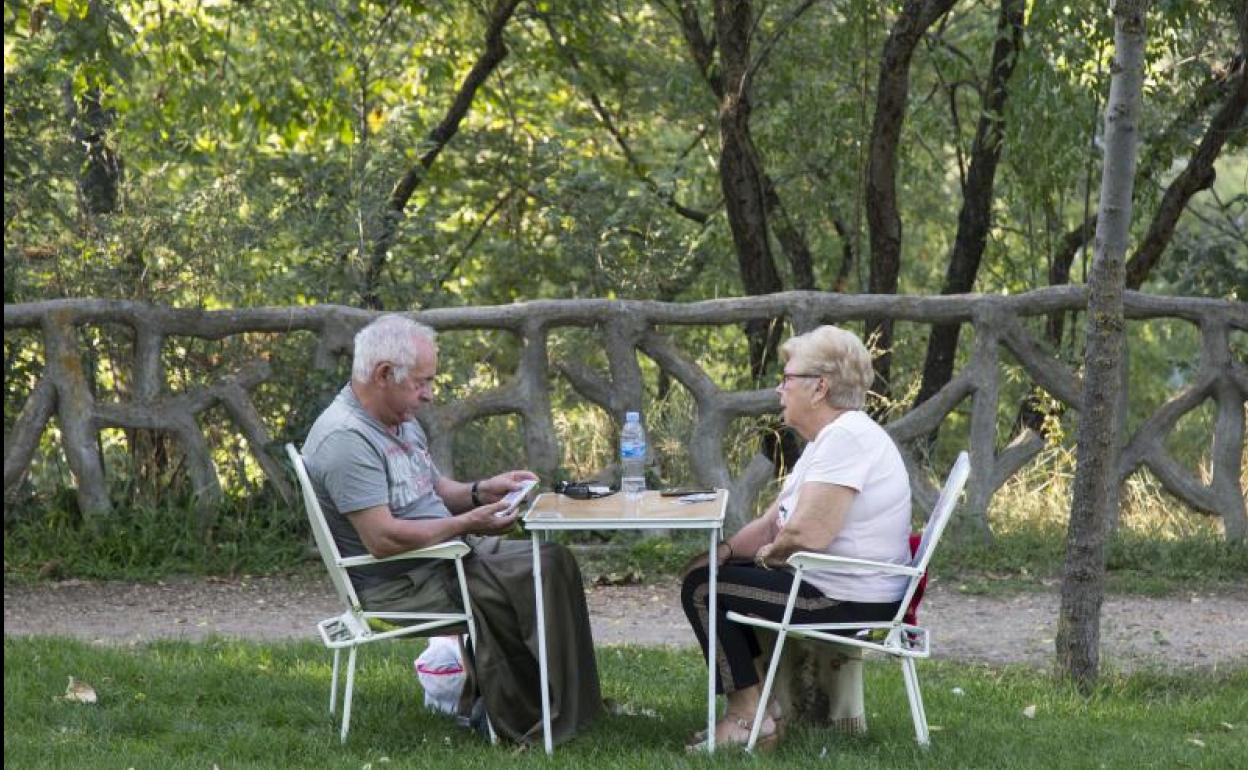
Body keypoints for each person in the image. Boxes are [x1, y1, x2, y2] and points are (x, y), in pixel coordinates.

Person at [300, 314, 602, 745]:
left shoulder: (398, 419)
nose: (428, 394)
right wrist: (468, 523)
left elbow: (436, 490)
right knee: (540, 569)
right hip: (404, 580)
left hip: (445, 555)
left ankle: (562, 704)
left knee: (554, 560)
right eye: (421, 382)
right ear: (384, 374)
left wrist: (483, 491)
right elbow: (382, 540)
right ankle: (528, 713)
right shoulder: (346, 440)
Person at [680, 325, 912, 751]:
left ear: (819, 387)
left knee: (703, 588)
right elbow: (774, 523)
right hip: (835, 582)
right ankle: (760, 710)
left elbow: (810, 533)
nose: (778, 389)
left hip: (846, 595)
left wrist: (768, 555)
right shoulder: (829, 440)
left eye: (787, 379)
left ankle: (749, 718)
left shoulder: (848, 438)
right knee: (711, 573)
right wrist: (726, 552)